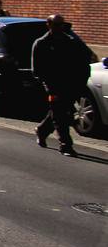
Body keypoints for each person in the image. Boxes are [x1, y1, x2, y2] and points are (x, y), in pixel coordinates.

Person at [32, 14, 96, 157]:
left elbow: (85, 58)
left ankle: (42, 130)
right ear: (48, 25)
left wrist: (81, 80)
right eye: (56, 25)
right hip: (54, 85)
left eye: (61, 25)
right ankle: (65, 145)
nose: (59, 28)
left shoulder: (72, 42)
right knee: (61, 115)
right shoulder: (42, 43)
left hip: (71, 84)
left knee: (60, 111)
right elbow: (38, 69)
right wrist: (48, 84)